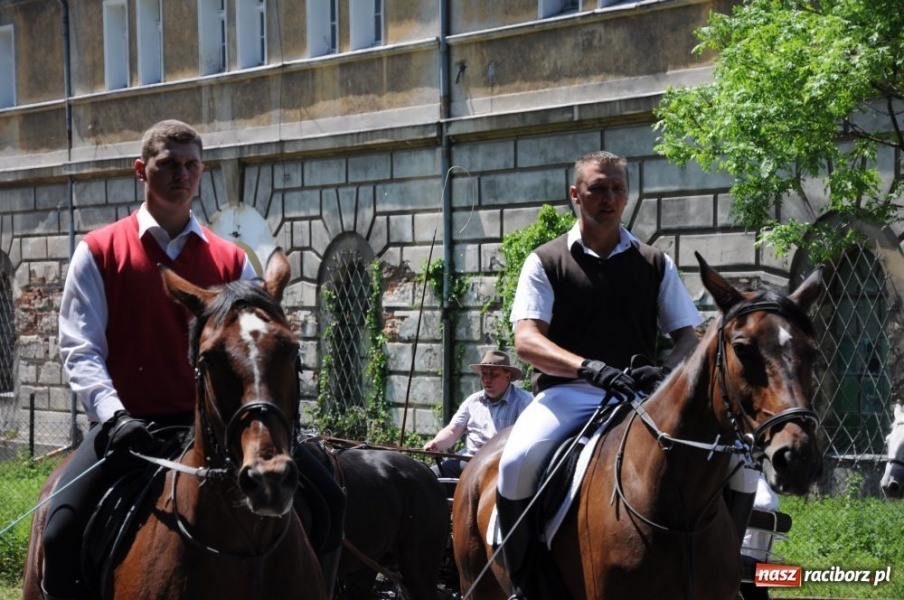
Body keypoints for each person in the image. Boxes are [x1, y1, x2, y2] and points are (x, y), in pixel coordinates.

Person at [42, 120, 344, 600]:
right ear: (142, 170)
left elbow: (254, 349)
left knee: (330, 499)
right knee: (59, 530)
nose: (181, 175)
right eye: (168, 164)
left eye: (191, 166)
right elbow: (81, 349)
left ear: (201, 173)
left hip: (224, 428)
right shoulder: (99, 252)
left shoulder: (231, 260)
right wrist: (113, 417)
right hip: (130, 430)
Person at [497, 150, 703, 599]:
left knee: (742, 473)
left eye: (617, 189)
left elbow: (690, 337)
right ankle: (524, 584)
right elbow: (527, 341)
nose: (608, 198)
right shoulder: (546, 261)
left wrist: (665, 372)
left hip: (640, 398)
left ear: (627, 195)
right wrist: (588, 367)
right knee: (515, 464)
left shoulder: (654, 263)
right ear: (575, 195)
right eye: (597, 189)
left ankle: (728, 573)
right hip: (568, 395)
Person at [423, 350, 533, 478]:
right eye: (484, 374)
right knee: (428, 477)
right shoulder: (472, 401)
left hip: (499, 465)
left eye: (493, 375)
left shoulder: (524, 402)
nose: (487, 379)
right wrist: (436, 444)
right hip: (469, 460)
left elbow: (526, 442)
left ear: (507, 377)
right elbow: (453, 431)